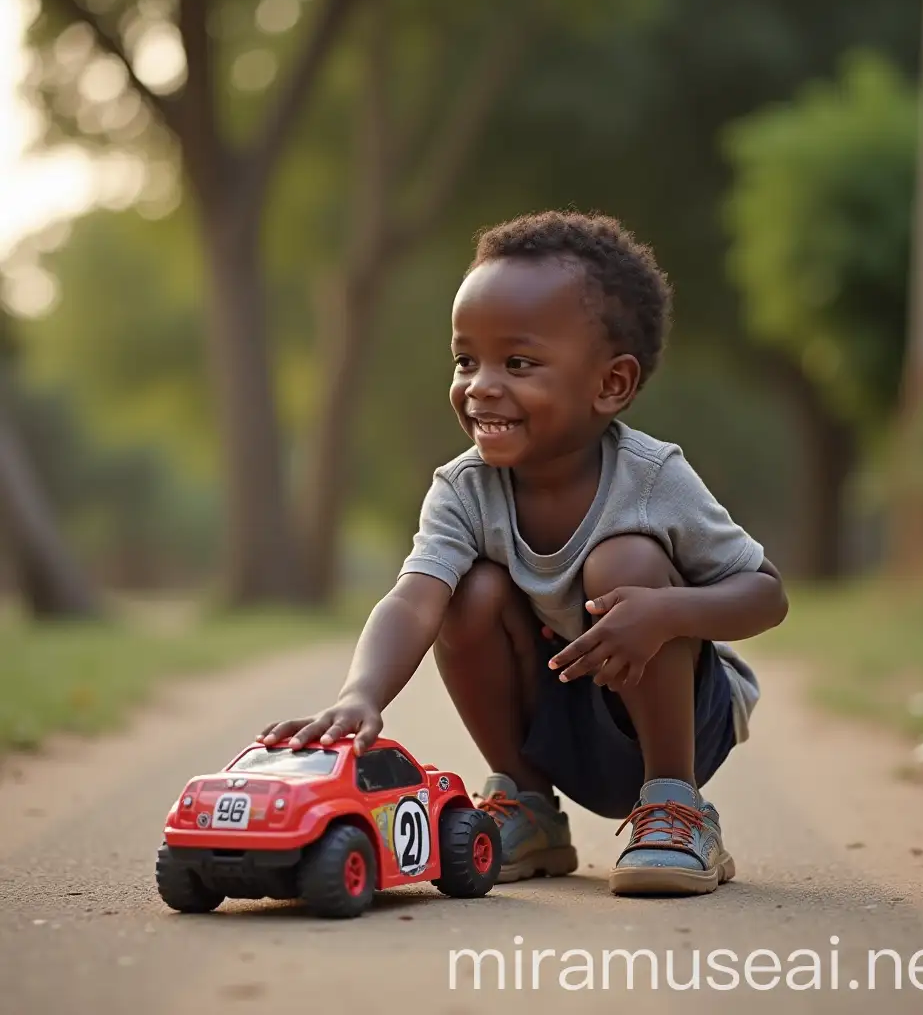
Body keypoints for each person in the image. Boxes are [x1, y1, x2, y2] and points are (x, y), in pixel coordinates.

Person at [258, 211, 788, 896]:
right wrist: (361, 693)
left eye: (518, 363)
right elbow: (415, 596)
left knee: (624, 562)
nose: (480, 385)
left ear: (611, 385)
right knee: (465, 589)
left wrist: (666, 615)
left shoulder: (651, 477)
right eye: (465, 360)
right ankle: (529, 806)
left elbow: (766, 594)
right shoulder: (463, 488)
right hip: (555, 720)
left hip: (678, 716)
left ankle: (675, 807)